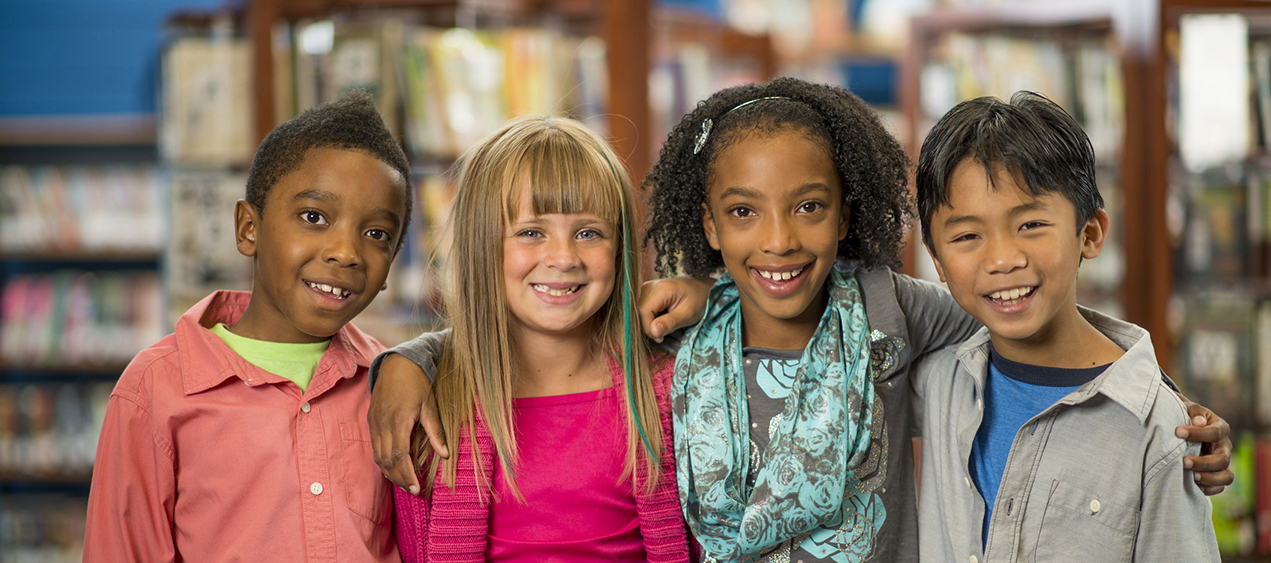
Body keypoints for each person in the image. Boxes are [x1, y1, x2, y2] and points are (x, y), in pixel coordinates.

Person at [369, 78, 1232, 563]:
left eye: (808, 208)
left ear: (848, 209)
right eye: (742, 214)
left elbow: (1019, 318)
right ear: (707, 227)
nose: (777, 240)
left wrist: (1152, 400)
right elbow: (525, 334)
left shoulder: (894, 310)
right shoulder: (670, 336)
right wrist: (405, 359)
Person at [83, 92, 410, 562]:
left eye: (377, 234)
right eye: (314, 217)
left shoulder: (391, 381)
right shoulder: (156, 389)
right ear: (248, 229)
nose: (346, 252)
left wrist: (418, 361)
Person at [910, 92, 1220, 561]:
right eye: (968, 236)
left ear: (1089, 234)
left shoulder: (1158, 428)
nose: (1002, 260)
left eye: (1031, 224)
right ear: (936, 260)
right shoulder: (935, 384)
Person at [386, 116, 691, 562]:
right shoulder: (432, 404)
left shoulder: (671, 388)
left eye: (588, 233)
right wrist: (402, 361)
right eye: (531, 232)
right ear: (481, 246)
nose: (564, 258)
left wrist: (711, 291)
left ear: (620, 246)